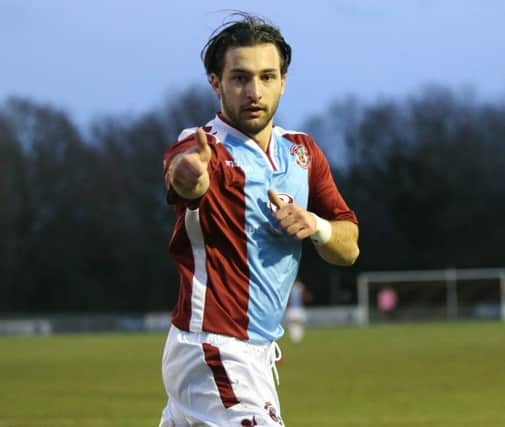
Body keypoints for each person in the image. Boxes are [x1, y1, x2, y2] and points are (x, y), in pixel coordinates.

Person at [159, 13, 359, 427]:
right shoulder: (203, 147)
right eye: (240, 78)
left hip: (257, 354)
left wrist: (315, 226)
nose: (255, 91)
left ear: (283, 80)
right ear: (215, 82)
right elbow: (185, 175)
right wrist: (190, 177)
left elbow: (349, 246)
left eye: (268, 77)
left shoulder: (302, 152)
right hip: (214, 348)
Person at [285, 277, 311, 344]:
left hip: (296, 309)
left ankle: (296, 339)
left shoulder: (294, 286)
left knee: (296, 324)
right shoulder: (292, 286)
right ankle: (296, 339)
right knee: (295, 324)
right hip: (295, 309)